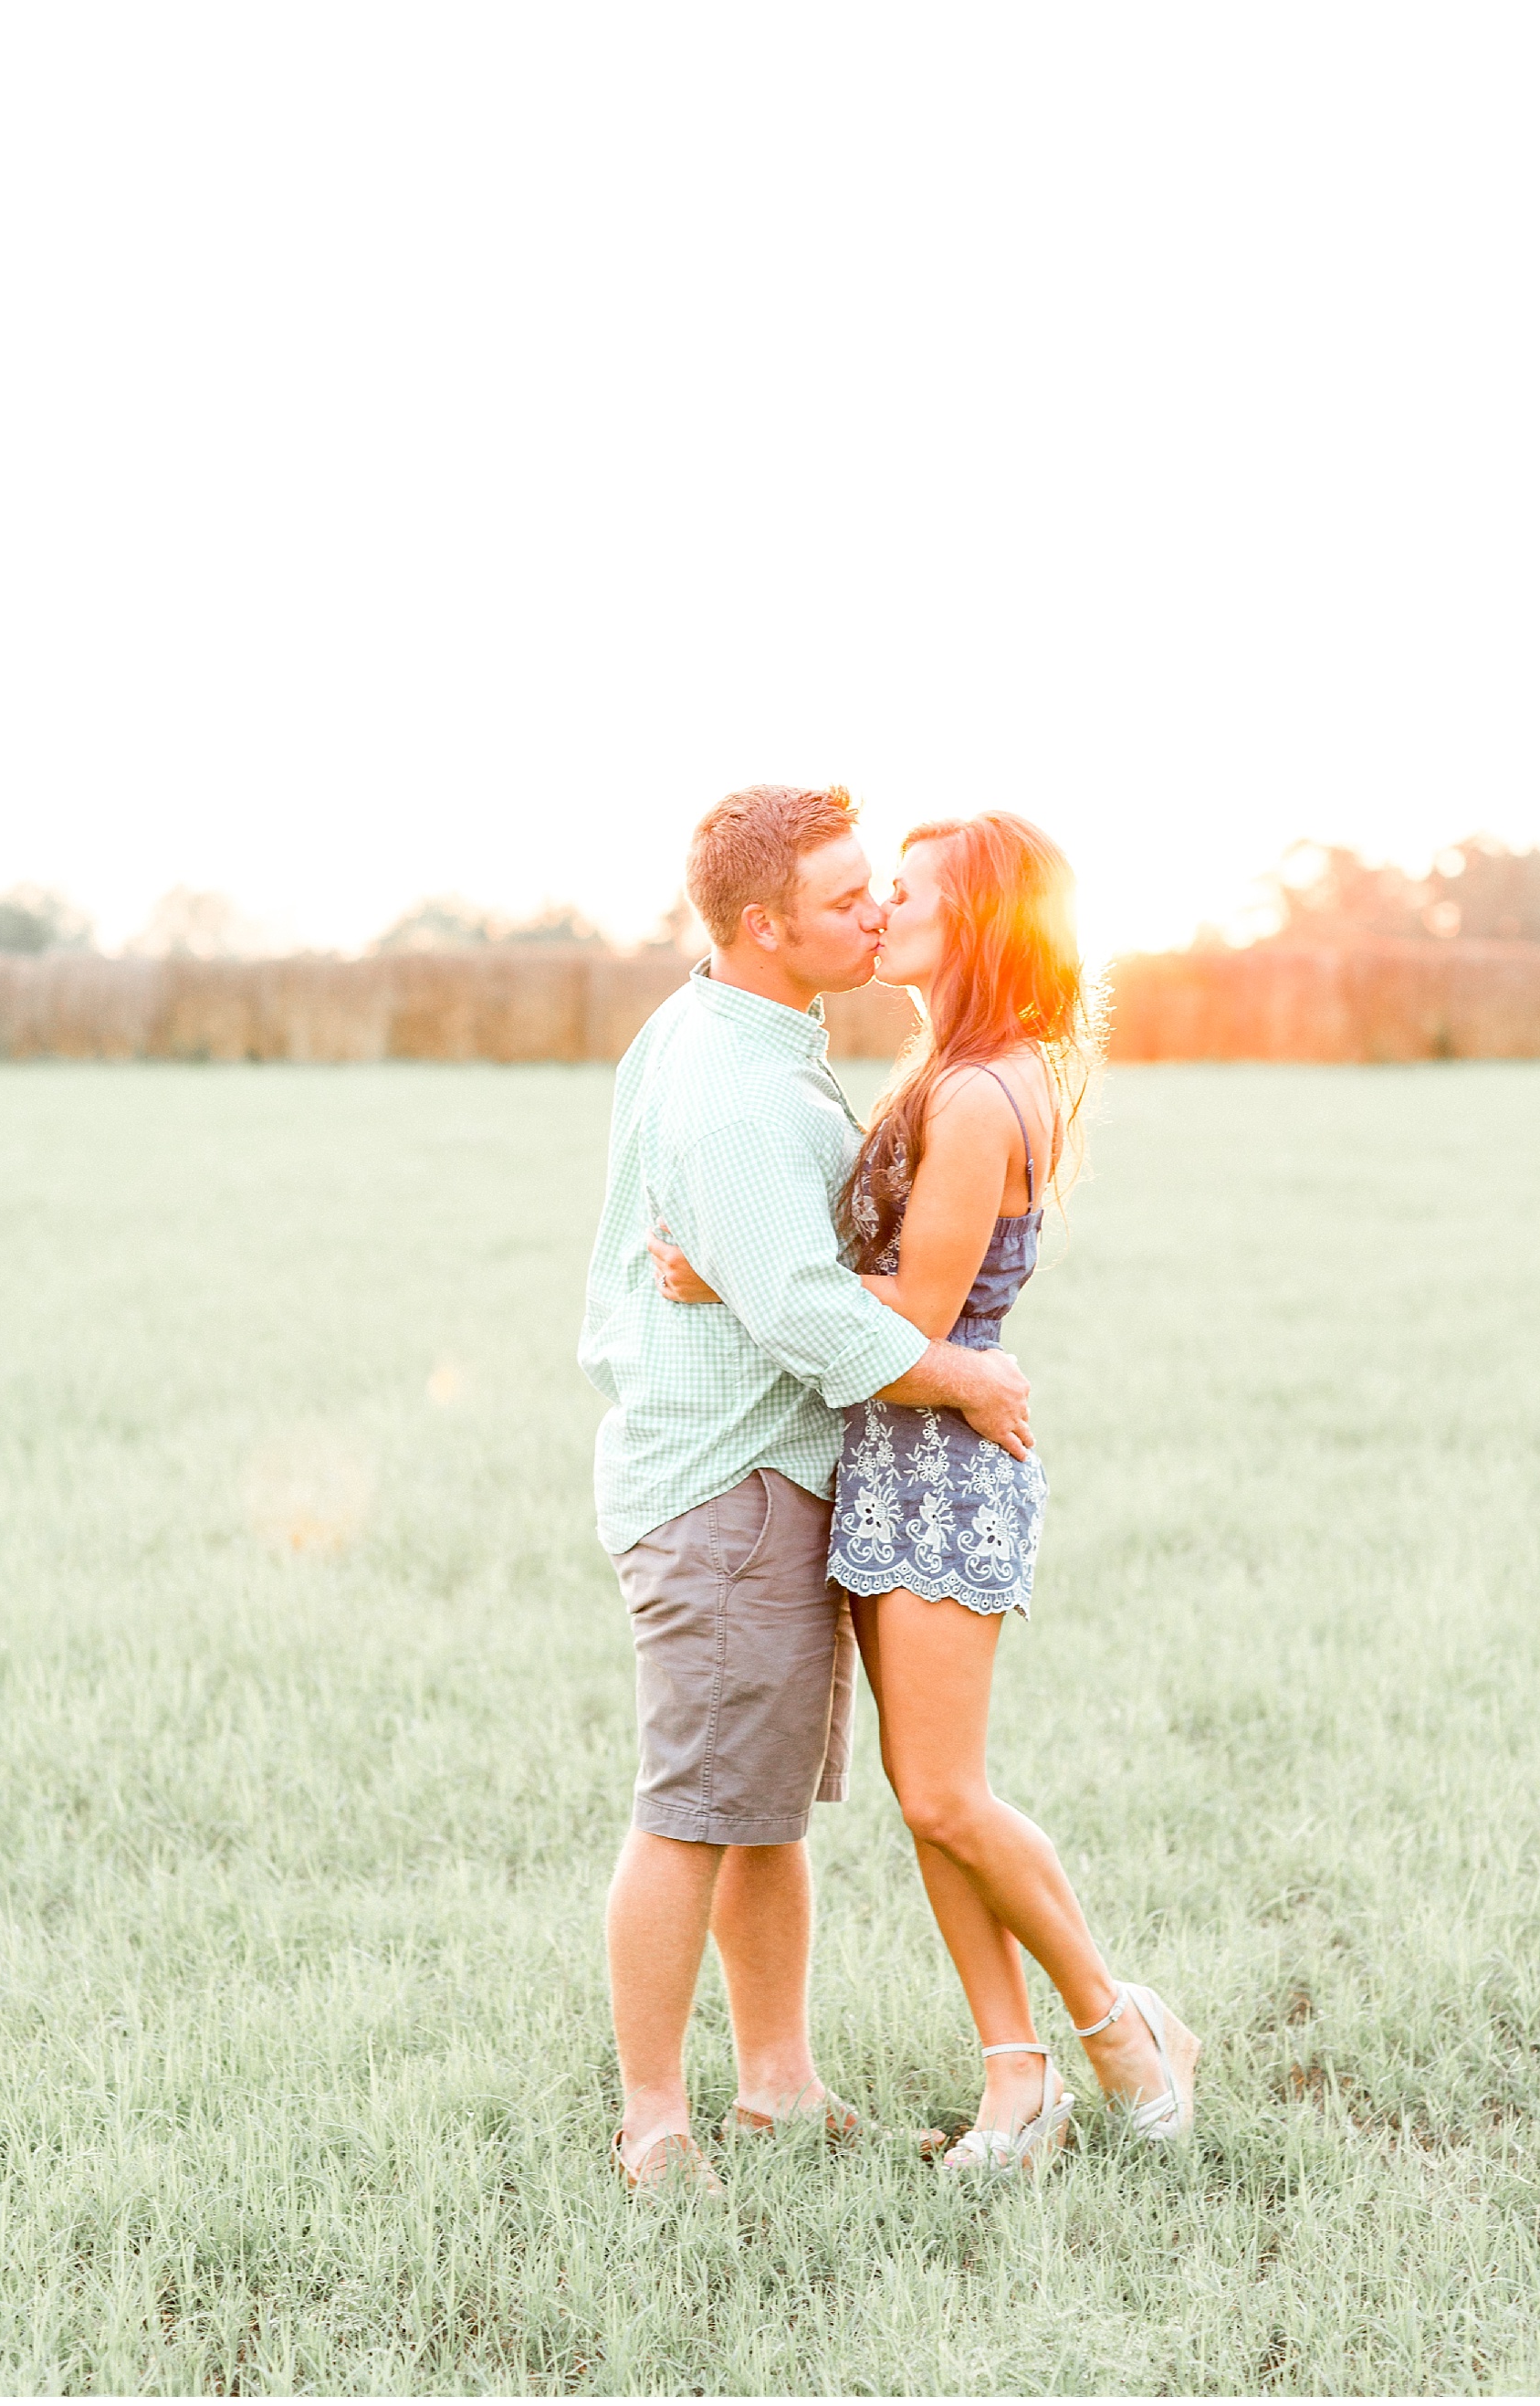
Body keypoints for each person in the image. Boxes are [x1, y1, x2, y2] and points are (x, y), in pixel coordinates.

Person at [651, 812, 1200, 2167]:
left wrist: (735, 1270)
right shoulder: (947, 1068)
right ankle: (1013, 2077)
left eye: (913, 892)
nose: (884, 907)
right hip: (894, 1461)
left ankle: (1118, 2024)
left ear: (983, 928)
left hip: (943, 1464)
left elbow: (912, 1309)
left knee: (948, 1793)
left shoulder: (973, 1092)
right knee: (927, 1790)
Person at [578, 784, 1036, 2194]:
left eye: (877, 888)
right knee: (689, 1810)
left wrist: (739, 1270)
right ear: (765, 925)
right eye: (847, 898)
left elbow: (775, 1268)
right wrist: (971, 1379)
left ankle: (779, 2088)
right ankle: (657, 2124)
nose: (876, 910)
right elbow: (816, 1316)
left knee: (761, 1809)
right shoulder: (734, 1089)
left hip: (768, 1479)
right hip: (730, 1488)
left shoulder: (741, 1031)